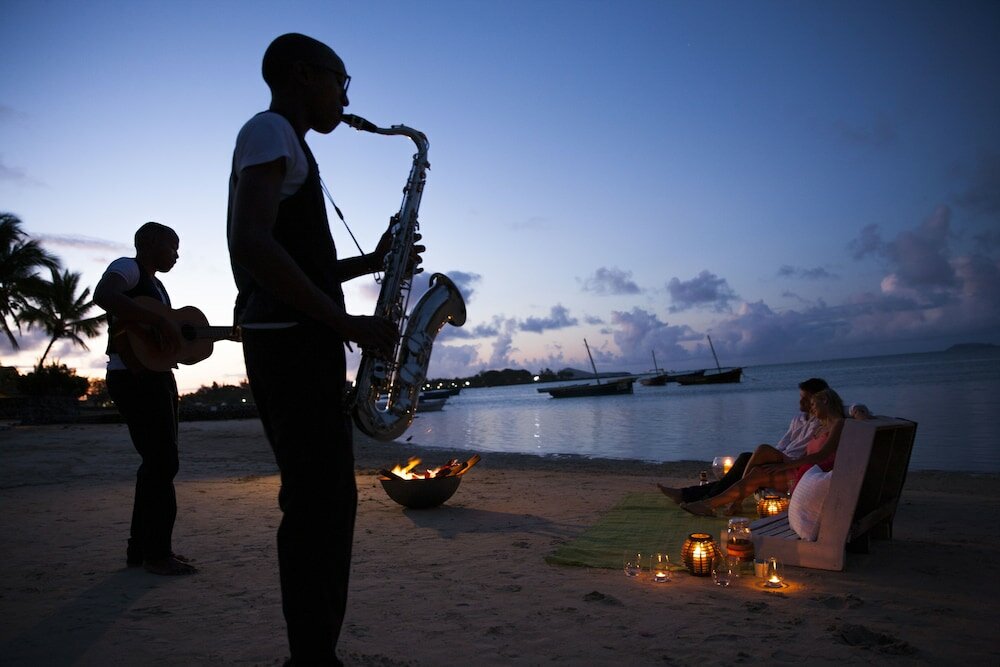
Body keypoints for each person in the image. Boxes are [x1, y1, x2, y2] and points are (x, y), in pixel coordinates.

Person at [227, 33, 422, 665]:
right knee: (319, 506)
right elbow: (252, 244)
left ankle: (315, 654)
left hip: (295, 345)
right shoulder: (270, 131)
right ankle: (311, 658)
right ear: (305, 75)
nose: (346, 97)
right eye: (341, 82)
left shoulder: (286, 144)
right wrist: (348, 327)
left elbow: (297, 262)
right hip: (290, 346)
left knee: (326, 502)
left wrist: (375, 259)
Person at [94, 221, 196, 576]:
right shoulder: (128, 267)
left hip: (157, 376)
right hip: (134, 376)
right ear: (151, 242)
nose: (177, 255)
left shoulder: (159, 287)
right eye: (173, 246)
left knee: (156, 463)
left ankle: (140, 549)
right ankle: (157, 554)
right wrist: (157, 319)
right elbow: (105, 295)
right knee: (163, 463)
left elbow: (166, 337)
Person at [657, 377, 831, 506]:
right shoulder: (799, 419)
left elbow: (845, 409)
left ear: (818, 399)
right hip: (780, 457)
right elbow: (783, 443)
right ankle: (690, 495)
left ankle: (698, 497)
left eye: (806, 399)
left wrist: (856, 410)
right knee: (743, 462)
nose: (800, 401)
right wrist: (770, 458)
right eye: (800, 396)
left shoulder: (823, 420)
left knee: (756, 453)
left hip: (792, 462)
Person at [681, 388, 847, 517]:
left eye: (813, 404)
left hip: (812, 475)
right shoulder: (820, 426)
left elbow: (822, 455)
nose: (811, 408)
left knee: (757, 470)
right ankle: (713, 504)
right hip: (803, 469)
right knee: (756, 469)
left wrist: (786, 465)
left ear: (825, 400)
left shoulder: (838, 424)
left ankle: (712, 504)